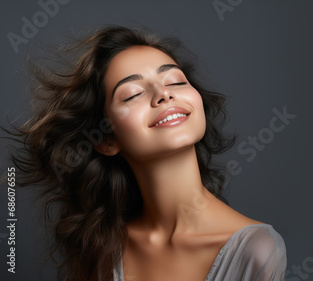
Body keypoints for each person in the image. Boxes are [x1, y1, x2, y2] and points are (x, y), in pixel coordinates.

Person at [5, 25, 286, 281]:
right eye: (132, 94)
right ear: (105, 140)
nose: (163, 94)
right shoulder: (103, 246)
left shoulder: (256, 251)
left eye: (175, 81)